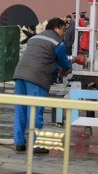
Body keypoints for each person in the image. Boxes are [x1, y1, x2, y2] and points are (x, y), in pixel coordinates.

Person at [13, 17, 72, 153]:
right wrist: (66, 69)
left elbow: (42, 57)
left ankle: (19, 142)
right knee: (35, 111)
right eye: (63, 30)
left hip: (20, 74)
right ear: (56, 28)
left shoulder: (34, 38)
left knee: (20, 110)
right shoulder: (58, 42)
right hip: (36, 77)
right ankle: (36, 145)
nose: (64, 33)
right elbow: (63, 63)